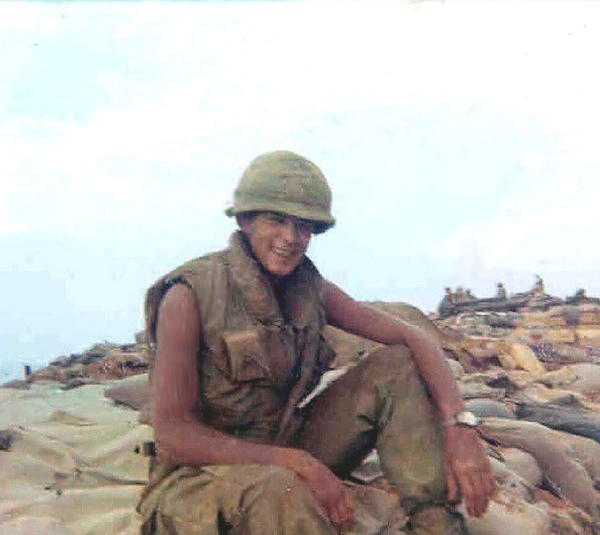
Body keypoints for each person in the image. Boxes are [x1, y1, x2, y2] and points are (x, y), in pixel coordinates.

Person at [137, 151, 496, 535]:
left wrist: (460, 426)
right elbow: (174, 436)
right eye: (276, 220)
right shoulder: (190, 294)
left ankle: (434, 522)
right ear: (244, 220)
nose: (290, 239)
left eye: (304, 227)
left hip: (283, 449)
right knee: (283, 488)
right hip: (197, 479)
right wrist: (297, 464)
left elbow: (415, 337)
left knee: (397, 365)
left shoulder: (311, 290)